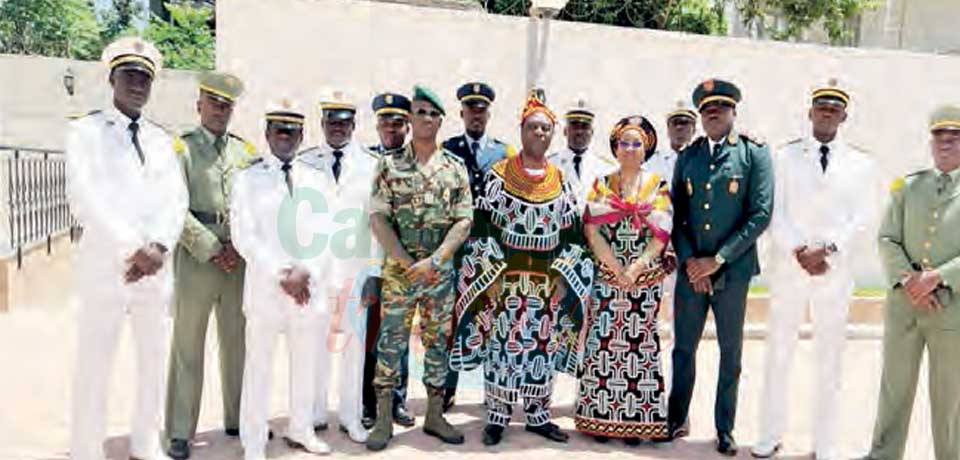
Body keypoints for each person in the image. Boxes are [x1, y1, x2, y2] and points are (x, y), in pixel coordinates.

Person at [449, 90, 594, 446]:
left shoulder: (560, 181)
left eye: (546, 129)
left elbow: (573, 237)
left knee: (541, 347)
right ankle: (497, 417)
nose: (540, 134)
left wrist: (563, 276)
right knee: (501, 349)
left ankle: (538, 415)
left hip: (546, 286)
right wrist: (490, 278)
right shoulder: (497, 176)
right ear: (521, 130)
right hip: (505, 283)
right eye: (533, 128)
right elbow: (481, 230)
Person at [68, 36, 187, 460]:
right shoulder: (85, 132)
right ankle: (85, 447)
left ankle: (144, 441)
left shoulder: (160, 140)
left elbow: (176, 200)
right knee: (95, 363)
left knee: (152, 363)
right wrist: (132, 248)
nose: (137, 84)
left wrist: (158, 246)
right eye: (129, 75)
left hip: (155, 270)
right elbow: (84, 197)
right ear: (112, 78)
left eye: (144, 77)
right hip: (107, 268)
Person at [752, 81, 878, 460]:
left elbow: (864, 217)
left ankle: (824, 443)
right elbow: (775, 212)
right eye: (820, 105)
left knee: (829, 360)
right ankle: (769, 435)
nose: (826, 111)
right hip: (791, 269)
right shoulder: (784, 156)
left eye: (833, 107)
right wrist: (799, 250)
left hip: (833, 273)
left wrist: (829, 249)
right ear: (809, 113)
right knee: (779, 354)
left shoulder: (861, 163)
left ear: (844, 116)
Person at [666, 78, 774, 456]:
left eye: (721, 108)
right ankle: (676, 417)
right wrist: (691, 261)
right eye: (707, 109)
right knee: (683, 349)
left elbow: (760, 214)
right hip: (692, 272)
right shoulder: (689, 156)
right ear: (700, 116)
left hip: (732, 271)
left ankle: (724, 428)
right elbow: (674, 215)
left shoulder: (753, 154)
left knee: (731, 355)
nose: (714, 113)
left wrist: (719, 259)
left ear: (733, 112)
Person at [365, 85, 471, 451]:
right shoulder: (389, 165)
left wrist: (436, 260)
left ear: (441, 121)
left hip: (439, 276)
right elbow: (377, 219)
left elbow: (463, 221)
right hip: (400, 273)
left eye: (432, 113)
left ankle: (435, 415)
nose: (426, 118)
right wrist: (408, 262)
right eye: (420, 112)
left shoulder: (455, 168)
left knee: (437, 344)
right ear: (409, 119)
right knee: (391, 344)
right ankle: (382, 418)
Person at [856, 105, 960, 460]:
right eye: (939, 137)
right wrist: (911, 282)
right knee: (894, 388)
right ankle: (883, 454)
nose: (946, 143)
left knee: (950, 396)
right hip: (905, 305)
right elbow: (887, 238)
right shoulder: (909, 186)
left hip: (951, 309)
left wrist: (937, 277)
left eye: (955, 137)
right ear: (931, 143)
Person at [232, 99, 330, 460]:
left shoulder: (315, 178)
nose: (285, 137)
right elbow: (244, 234)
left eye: (292, 131)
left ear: (302, 135)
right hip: (266, 289)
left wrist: (305, 271)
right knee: (258, 366)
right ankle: (254, 440)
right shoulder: (248, 178)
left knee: (305, 364)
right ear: (267, 134)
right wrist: (281, 273)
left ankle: (300, 428)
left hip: (306, 289)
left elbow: (325, 231)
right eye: (279, 130)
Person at [165, 71, 253, 460]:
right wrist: (212, 246)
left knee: (237, 343)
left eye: (227, 105)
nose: (220, 110)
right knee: (188, 346)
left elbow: (253, 206)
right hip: (198, 257)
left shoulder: (244, 152)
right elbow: (172, 207)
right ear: (199, 104)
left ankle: (237, 418)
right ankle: (181, 430)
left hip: (238, 259)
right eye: (213, 102)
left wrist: (237, 245)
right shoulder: (181, 149)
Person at [574, 115, 672, 445]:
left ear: (646, 149)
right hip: (608, 278)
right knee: (602, 347)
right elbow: (592, 228)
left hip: (643, 283)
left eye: (636, 144)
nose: (629, 149)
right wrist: (616, 266)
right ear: (615, 148)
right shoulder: (603, 184)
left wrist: (637, 267)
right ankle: (599, 419)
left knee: (638, 349)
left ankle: (635, 421)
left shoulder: (657, 185)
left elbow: (661, 231)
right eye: (624, 143)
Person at [441, 81, 516, 411]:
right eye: (470, 108)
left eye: (481, 109)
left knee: (491, 316)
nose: (476, 114)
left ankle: (491, 389)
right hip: (457, 246)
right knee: (452, 318)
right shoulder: (447, 149)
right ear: (461, 113)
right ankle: (447, 387)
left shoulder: (504, 152)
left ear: (488, 113)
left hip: (490, 247)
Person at [305, 91, 373, 443]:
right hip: (316, 271)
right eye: (331, 121)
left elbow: (376, 224)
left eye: (344, 122)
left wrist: (372, 275)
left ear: (353, 125)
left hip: (353, 270)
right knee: (313, 343)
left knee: (353, 348)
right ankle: (314, 411)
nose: (337, 128)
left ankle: (351, 415)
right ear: (322, 124)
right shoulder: (306, 162)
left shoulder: (371, 164)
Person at [361, 92, 415, 429]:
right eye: (385, 122)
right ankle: (368, 403)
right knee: (370, 335)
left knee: (401, 333)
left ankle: (397, 400)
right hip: (371, 261)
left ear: (407, 126)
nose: (391, 128)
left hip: (404, 262)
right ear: (377, 124)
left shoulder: (417, 161)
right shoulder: (365, 161)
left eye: (398, 122)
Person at [548, 96, 616, 205]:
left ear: (592, 132)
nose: (579, 131)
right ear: (565, 131)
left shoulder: (606, 169)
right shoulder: (550, 165)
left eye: (585, 127)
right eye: (574, 126)